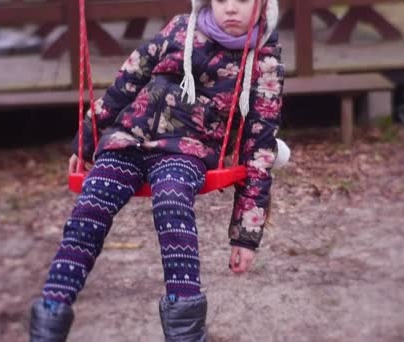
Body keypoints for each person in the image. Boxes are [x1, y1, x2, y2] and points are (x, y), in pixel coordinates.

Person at [29, 0, 284, 340]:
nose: (231, 9)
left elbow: (259, 146)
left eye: (242, 0)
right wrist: (87, 137)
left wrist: (246, 236)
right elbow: (128, 81)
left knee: (172, 200)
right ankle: (50, 318)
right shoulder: (180, 28)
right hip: (128, 139)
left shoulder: (263, 60)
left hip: (187, 150)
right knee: (90, 205)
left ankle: (185, 330)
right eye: (222, 0)